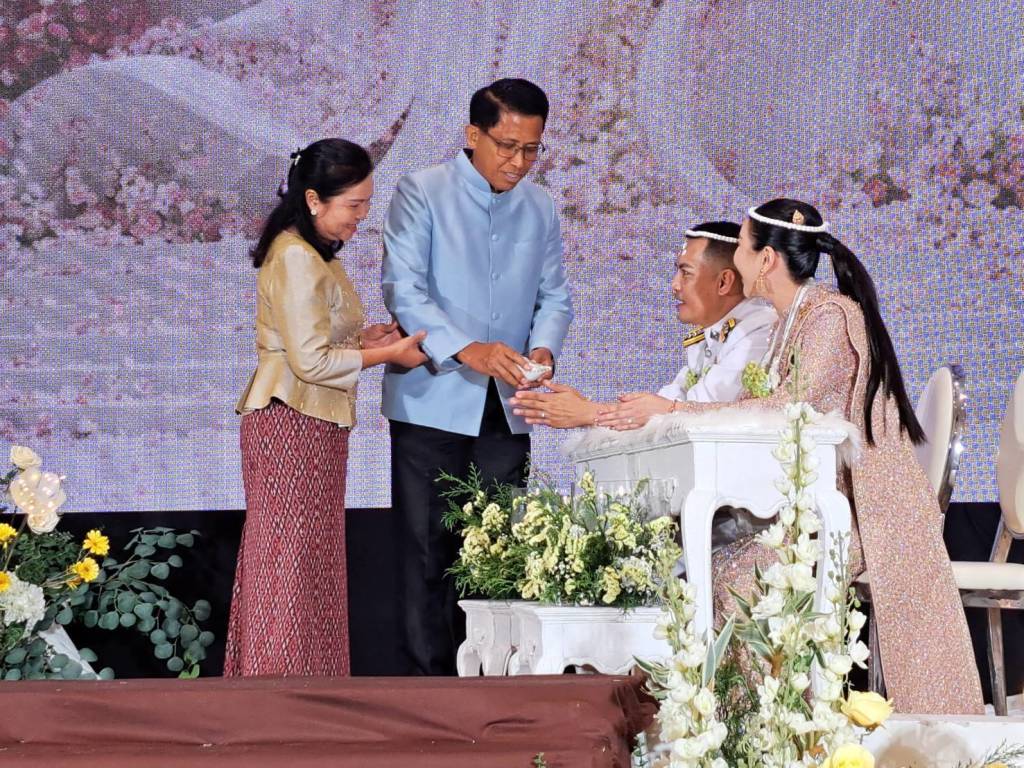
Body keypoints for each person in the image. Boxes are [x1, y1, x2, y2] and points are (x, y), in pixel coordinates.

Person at [597, 198, 983, 714]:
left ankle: (758, 725)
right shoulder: (792, 319)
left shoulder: (830, 317)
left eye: (742, 247)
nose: (735, 260)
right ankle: (723, 722)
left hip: (866, 512)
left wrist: (672, 409)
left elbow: (784, 409)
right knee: (712, 569)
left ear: (767, 259)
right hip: (817, 507)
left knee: (741, 579)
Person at [382, 78, 573, 676]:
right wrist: (468, 350)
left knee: (498, 553)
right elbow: (403, 289)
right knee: (426, 553)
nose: (519, 162)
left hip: (508, 406)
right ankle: (429, 691)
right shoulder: (422, 190)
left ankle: (493, 684)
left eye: (532, 149)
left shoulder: (540, 206)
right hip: (431, 401)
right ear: (473, 135)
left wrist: (543, 349)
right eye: (507, 146)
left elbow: (554, 296)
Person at [225, 139, 428, 677]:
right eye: (354, 205)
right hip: (290, 421)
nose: (361, 217)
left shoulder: (313, 253)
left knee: (305, 562)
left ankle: (307, 683)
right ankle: (276, 688)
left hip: (310, 422)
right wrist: (388, 354)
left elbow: (318, 339)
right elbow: (310, 361)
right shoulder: (295, 255)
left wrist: (367, 339)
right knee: (288, 565)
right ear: (314, 199)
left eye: (366, 204)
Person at [510, 221, 775, 429]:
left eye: (686, 273)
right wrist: (587, 409)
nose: (674, 285)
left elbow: (702, 416)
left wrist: (591, 413)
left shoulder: (757, 331)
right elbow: (666, 404)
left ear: (724, 282)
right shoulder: (710, 335)